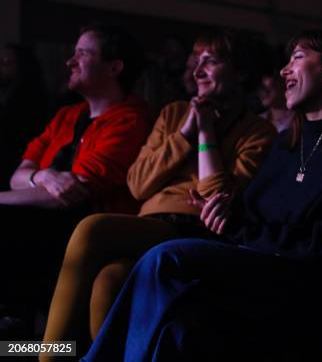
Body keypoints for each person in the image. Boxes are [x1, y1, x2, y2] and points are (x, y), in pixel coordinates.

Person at [81, 29, 322, 361]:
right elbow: (248, 214)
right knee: (178, 324)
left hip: (301, 279)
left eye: (298, 59)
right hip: (258, 265)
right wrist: (221, 211)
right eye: (285, 61)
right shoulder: (286, 144)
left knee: (166, 259)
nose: (285, 71)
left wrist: (241, 226)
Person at [42, 28, 277, 353]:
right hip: (149, 225)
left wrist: (206, 132)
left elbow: (215, 200)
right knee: (108, 282)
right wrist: (184, 135)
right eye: (196, 61)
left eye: (210, 61)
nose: (197, 70)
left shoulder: (259, 132)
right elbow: (137, 184)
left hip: (195, 231)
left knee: (92, 228)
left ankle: (48, 357)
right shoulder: (174, 114)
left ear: (240, 72)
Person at [0, 23, 151, 328]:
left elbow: (70, 196)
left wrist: (36, 181)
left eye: (82, 54)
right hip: (38, 227)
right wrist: (43, 176)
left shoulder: (131, 119)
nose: (70, 62)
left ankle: (27, 345)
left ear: (114, 67)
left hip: (84, 234)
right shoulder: (67, 115)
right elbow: (18, 176)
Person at [0, 43, 49, 190]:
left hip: (16, 174)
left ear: (22, 68)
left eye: (5, 63)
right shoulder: (5, 97)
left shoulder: (30, 101)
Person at [255, 42, 294, 132]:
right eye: (256, 78)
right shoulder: (256, 124)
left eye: (266, 75)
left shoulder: (302, 122)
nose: (260, 86)